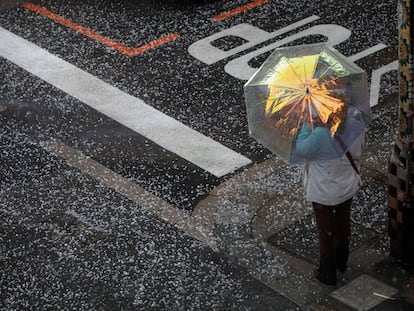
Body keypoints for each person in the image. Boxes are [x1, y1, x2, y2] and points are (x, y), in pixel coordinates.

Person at [294, 120, 365, 286]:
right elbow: (361, 147)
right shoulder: (356, 124)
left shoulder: (320, 133)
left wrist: (305, 127)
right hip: (346, 184)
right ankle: (341, 260)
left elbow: (301, 150)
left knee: (326, 232)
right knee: (343, 222)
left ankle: (327, 272)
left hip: (324, 190)